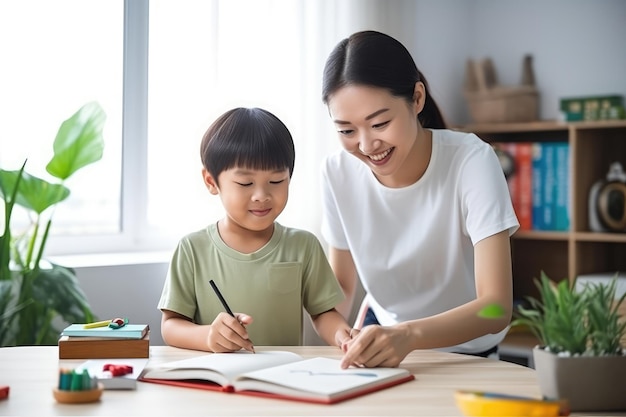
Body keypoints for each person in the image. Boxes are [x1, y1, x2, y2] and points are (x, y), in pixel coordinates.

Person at [320, 31, 519, 369]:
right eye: (347, 131)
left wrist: (409, 336)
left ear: (416, 98)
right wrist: (342, 334)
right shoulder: (338, 171)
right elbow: (339, 288)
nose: (367, 146)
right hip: (384, 345)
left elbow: (496, 307)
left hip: (467, 355)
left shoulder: (472, 161)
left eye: (380, 123)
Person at [158, 107, 353, 353]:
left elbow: (324, 313)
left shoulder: (303, 246)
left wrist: (344, 336)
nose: (262, 196)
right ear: (211, 182)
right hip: (215, 382)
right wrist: (208, 336)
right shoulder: (192, 249)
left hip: (284, 378)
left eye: (276, 181)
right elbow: (171, 325)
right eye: (245, 183)